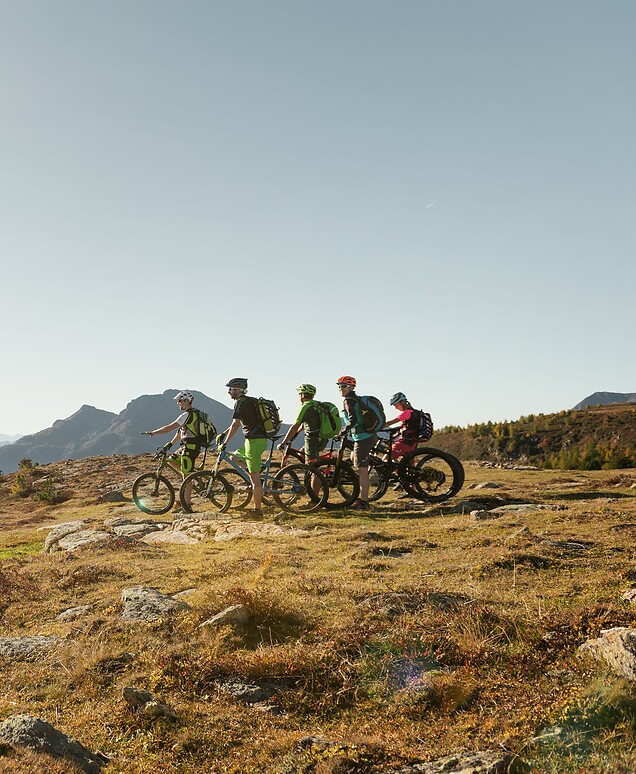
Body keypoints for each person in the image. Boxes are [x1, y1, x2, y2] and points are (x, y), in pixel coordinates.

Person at [217, 378, 268, 518]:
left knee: (254, 478)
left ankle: (257, 511)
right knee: (234, 457)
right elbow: (237, 423)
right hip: (253, 440)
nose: (228, 392)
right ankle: (256, 471)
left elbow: (235, 425)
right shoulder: (251, 400)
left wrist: (225, 443)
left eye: (231, 389)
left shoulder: (240, 403)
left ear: (238, 390)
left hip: (254, 442)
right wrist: (223, 434)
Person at [143, 390, 200, 511]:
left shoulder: (187, 415)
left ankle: (187, 505)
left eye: (179, 401)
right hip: (187, 446)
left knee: (187, 475)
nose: (178, 403)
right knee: (170, 460)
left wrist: (154, 432)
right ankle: (190, 476)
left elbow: (170, 427)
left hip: (190, 447)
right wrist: (170, 444)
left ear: (186, 401)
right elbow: (180, 432)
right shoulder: (192, 415)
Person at [336, 375, 376, 510]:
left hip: (362, 437)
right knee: (355, 459)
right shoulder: (356, 399)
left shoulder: (349, 400)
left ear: (350, 387)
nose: (340, 389)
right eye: (339, 386)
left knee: (362, 471)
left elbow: (352, 420)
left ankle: (364, 503)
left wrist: (342, 431)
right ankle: (362, 499)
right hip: (367, 435)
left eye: (342, 386)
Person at [278, 384, 328, 464]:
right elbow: (305, 424)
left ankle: (316, 476)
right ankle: (312, 474)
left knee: (311, 466)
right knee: (301, 454)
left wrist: (283, 443)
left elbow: (295, 426)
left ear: (303, 395)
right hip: (322, 439)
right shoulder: (317, 405)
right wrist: (297, 433)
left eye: (300, 394)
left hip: (312, 440)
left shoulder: (306, 406)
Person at [384, 392, 421, 460]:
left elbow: (389, 423)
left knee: (387, 459)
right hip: (412, 442)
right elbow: (408, 428)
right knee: (408, 466)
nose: (395, 407)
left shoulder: (407, 413)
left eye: (396, 405)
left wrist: (375, 427)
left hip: (406, 442)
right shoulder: (413, 412)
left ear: (402, 402)